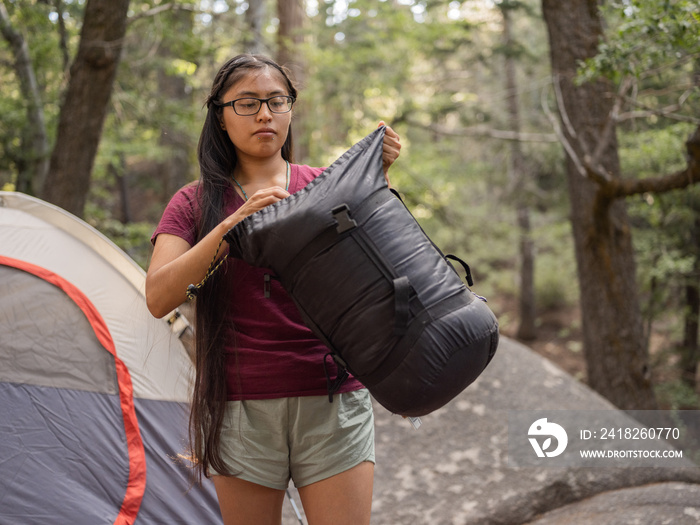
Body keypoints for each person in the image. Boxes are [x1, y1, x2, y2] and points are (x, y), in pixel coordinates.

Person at [145, 54, 401, 525]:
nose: (265, 114)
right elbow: (159, 296)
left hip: (333, 399)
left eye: (276, 101)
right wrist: (231, 227)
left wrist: (373, 186)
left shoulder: (324, 188)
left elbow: (376, 283)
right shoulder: (193, 202)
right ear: (220, 117)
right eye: (247, 103)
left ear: (289, 109)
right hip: (240, 407)